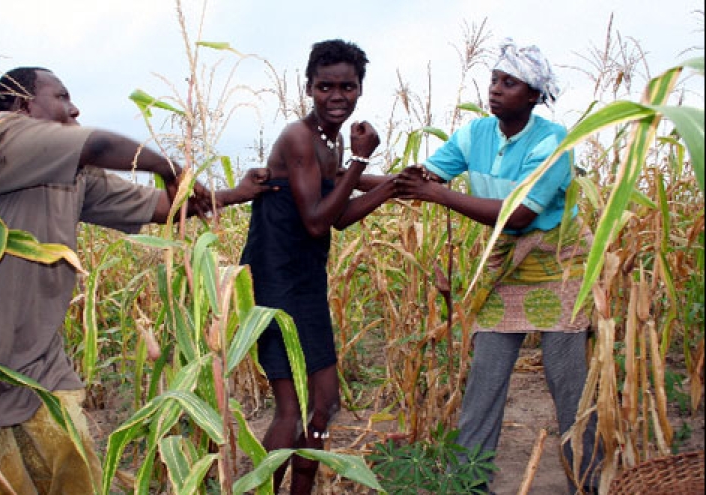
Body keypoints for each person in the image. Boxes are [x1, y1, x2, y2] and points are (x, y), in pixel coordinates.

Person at [0, 66, 272, 494]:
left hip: (35, 358)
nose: (74, 108)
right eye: (61, 96)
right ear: (22, 105)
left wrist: (236, 194)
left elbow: (161, 206)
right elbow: (99, 144)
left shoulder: (73, 175)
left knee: (73, 461)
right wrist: (168, 166)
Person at [396, 39, 602, 494]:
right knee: (484, 379)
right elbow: (422, 181)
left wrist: (438, 194)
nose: (495, 89)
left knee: (569, 385)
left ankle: (588, 484)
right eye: (494, 79)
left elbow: (521, 214)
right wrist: (347, 177)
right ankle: (469, 483)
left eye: (509, 83)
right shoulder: (475, 134)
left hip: (558, 266)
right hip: (507, 266)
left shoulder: (553, 141)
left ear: (534, 95)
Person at [239, 39, 395, 494]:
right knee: (292, 412)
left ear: (360, 89)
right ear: (308, 88)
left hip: (306, 282)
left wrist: (390, 186)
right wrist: (362, 162)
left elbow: (337, 213)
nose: (337, 96)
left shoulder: (332, 141)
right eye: (326, 86)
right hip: (274, 287)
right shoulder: (299, 137)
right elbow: (315, 220)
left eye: (347, 86)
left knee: (323, 404)